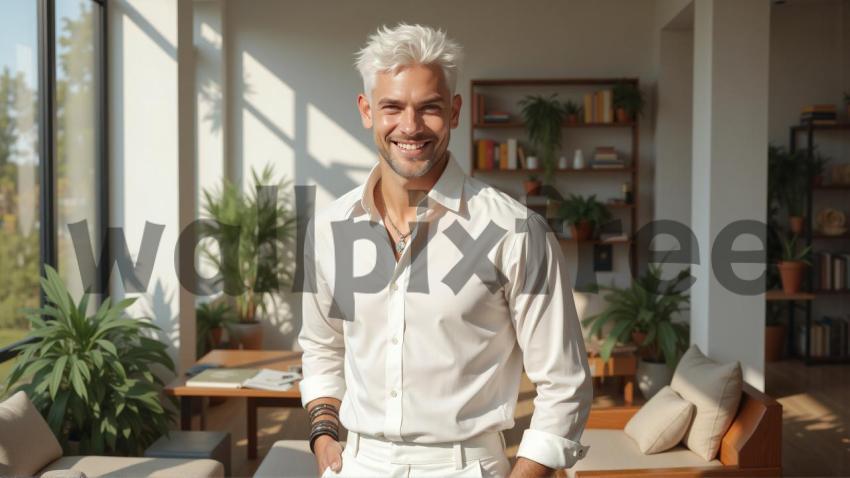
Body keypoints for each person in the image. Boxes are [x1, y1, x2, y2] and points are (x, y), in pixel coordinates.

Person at [298, 23, 592, 478]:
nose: (410, 127)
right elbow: (322, 348)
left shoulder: (515, 231)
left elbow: (565, 384)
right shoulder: (329, 228)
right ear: (366, 111)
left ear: (454, 112)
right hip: (356, 465)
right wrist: (322, 433)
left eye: (429, 108)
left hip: (464, 467)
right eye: (392, 107)